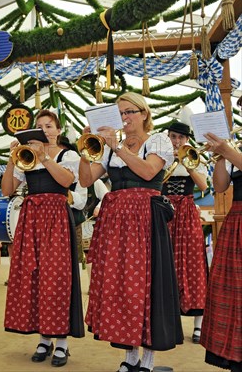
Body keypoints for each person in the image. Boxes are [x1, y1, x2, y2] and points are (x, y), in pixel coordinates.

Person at [79, 92, 182, 372]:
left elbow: (149, 172)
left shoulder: (157, 140)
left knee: (147, 286)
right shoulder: (113, 148)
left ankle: (147, 360)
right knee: (122, 286)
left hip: (146, 219)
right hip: (117, 223)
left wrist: (118, 147)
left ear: (144, 113)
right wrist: (86, 153)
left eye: (129, 112)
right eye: (120, 113)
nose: (124, 118)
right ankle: (130, 358)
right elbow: (86, 179)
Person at [1, 110, 85, 367]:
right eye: (39, 126)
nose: (45, 130)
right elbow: (7, 190)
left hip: (56, 217)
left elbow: (68, 181)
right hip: (31, 218)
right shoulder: (25, 157)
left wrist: (45, 157)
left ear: (58, 130)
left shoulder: (67, 155)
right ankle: (44, 338)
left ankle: (61, 342)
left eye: (49, 126)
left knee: (56, 277)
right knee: (34, 275)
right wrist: (11, 160)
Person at [200, 129, 242, 372]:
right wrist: (220, 156)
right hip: (236, 220)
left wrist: (227, 150)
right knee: (232, 292)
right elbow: (220, 186)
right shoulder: (236, 147)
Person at [163, 121, 209, 343]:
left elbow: (203, 186)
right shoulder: (159, 156)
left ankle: (198, 323)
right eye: (173, 137)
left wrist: (188, 163)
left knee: (193, 263)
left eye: (180, 138)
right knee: (165, 263)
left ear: (187, 140)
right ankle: (169, 321)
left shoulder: (194, 157)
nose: (176, 141)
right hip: (164, 211)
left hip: (187, 212)